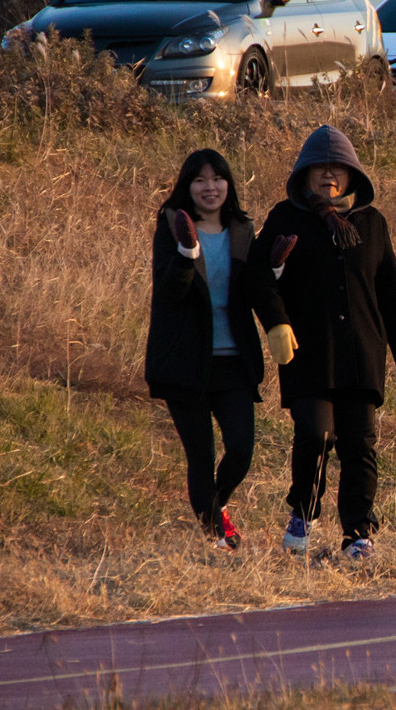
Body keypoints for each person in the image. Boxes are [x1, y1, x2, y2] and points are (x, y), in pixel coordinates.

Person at [250, 124, 396, 560]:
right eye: (320, 168)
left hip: (362, 353)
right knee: (315, 433)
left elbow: (393, 293)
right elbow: (256, 277)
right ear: (305, 174)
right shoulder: (286, 218)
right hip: (308, 352)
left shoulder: (372, 223)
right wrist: (275, 324)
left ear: (352, 176)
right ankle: (303, 513)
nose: (329, 176)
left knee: (359, 444)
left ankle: (357, 534)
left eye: (338, 168)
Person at [145, 149, 264, 551]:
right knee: (200, 454)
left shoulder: (243, 229)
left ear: (228, 184)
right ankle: (217, 535)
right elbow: (169, 293)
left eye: (217, 178)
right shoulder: (173, 225)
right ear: (187, 186)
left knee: (241, 451)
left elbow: (257, 288)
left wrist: (277, 271)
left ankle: (215, 506)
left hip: (233, 360)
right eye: (200, 179)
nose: (209, 187)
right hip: (185, 362)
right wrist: (186, 252)